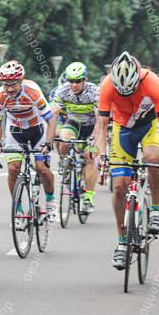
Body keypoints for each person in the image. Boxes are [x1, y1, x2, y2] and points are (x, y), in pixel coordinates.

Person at [94, 51, 159, 270]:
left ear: (137, 79)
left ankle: (156, 209)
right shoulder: (107, 85)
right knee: (120, 187)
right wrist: (100, 154)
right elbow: (101, 126)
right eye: (121, 90)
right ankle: (122, 242)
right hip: (122, 129)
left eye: (129, 89)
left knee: (152, 158)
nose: (125, 92)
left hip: (150, 126)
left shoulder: (153, 82)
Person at [0, 60, 57, 223]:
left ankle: (50, 202)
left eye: (13, 84)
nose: (9, 88)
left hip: (37, 129)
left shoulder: (32, 91)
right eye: (6, 85)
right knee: (13, 169)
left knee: (42, 168)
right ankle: (18, 209)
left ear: (21, 81)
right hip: (16, 131)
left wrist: (48, 142)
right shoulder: (0, 96)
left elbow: (51, 119)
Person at [45, 62, 100, 213]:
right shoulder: (62, 91)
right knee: (64, 140)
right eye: (71, 81)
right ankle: (65, 163)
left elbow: (100, 119)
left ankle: (88, 197)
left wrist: (95, 137)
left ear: (84, 80)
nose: (74, 85)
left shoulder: (95, 92)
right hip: (73, 122)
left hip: (91, 126)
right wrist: (48, 141)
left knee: (90, 156)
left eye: (78, 81)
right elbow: (53, 116)